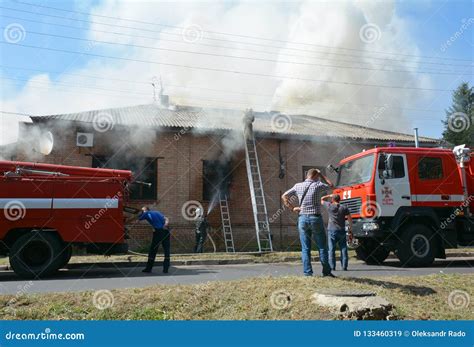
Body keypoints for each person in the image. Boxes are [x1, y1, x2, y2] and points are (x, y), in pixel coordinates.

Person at [281, 168, 335, 277]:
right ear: (316, 176)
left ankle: (308, 273)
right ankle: (326, 272)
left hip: (302, 219)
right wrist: (322, 174)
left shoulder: (297, 186)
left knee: (305, 248)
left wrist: (292, 208)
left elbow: (284, 196)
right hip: (315, 218)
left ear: (307, 175)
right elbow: (331, 185)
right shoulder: (318, 184)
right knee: (322, 247)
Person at [321, 194, 353, 271]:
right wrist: (350, 229)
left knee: (331, 249)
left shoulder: (329, 205)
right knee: (343, 248)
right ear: (340, 200)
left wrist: (329, 195)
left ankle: (332, 266)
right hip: (341, 229)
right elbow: (349, 219)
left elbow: (321, 199)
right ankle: (344, 266)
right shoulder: (344, 207)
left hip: (332, 229)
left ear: (332, 200)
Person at [138, 206, 170, 273]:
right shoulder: (157, 212)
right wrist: (165, 224)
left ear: (145, 210)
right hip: (166, 231)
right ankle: (166, 269)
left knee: (153, 250)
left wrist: (139, 214)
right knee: (166, 250)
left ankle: (148, 268)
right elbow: (166, 218)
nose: (142, 212)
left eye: (142, 210)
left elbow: (138, 219)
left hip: (158, 232)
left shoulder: (146, 213)